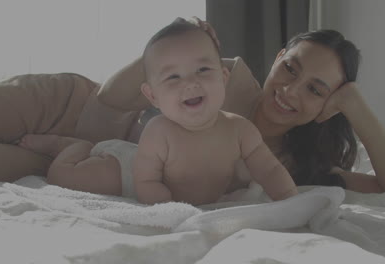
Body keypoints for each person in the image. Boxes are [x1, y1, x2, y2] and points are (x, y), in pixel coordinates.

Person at [101, 17, 385, 194]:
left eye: (315, 90)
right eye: (290, 68)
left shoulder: (301, 166)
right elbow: (109, 97)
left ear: (327, 106)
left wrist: (355, 105)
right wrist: (166, 54)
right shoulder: (227, 79)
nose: (289, 91)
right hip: (109, 148)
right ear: (278, 58)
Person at [19, 18, 298, 205]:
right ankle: (69, 146)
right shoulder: (159, 130)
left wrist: (290, 200)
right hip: (130, 172)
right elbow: (146, 181)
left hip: (175, 187)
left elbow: (269, 168)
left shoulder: (240, 129)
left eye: (203, 70)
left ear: (223, 77)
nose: (191, 83)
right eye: (172, 78)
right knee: (64, 179)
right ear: (153, 96)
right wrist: (166, 207)